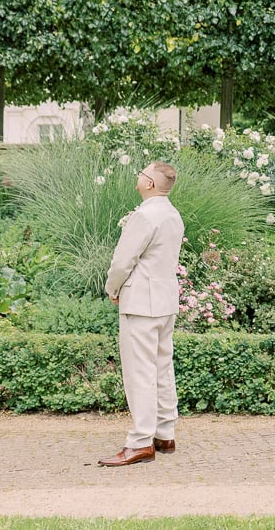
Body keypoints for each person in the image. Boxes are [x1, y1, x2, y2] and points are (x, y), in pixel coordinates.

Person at [98, 161, 185, 467]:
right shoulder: (173, 214)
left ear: (149, 184)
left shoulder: (144, 216)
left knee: (140, 371)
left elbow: (123, 260)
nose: (138, 176)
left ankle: (140, 442)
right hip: (165, 301)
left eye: (142, 173)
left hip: (141, 302)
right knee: (162, 367)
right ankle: (165, 433)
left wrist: (113, 288)